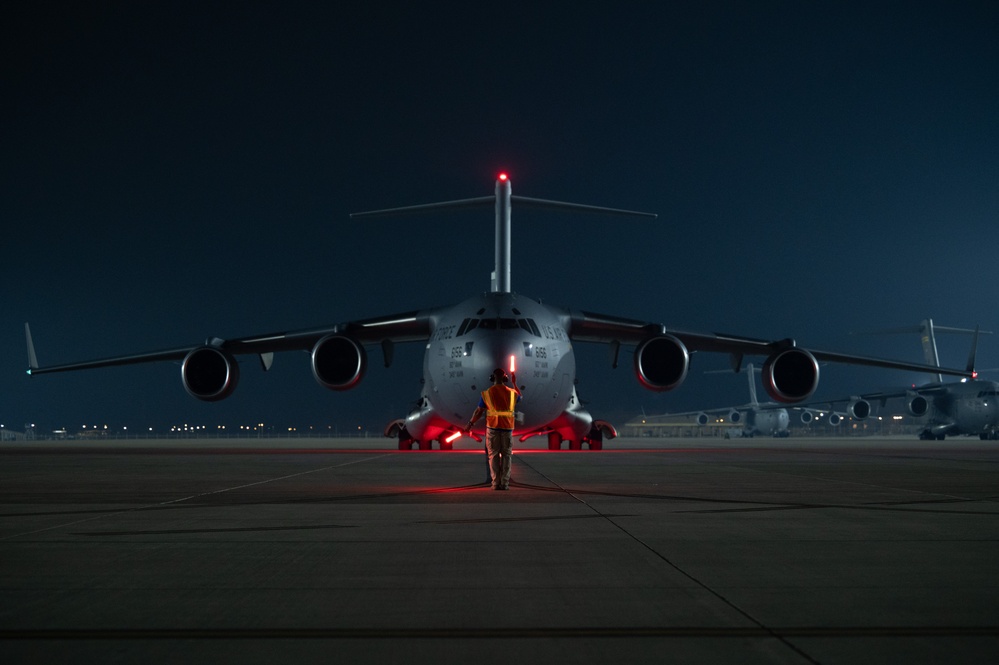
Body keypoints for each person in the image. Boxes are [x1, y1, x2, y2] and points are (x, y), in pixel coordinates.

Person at [466, 367, 522, 490]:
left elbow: (478, 411)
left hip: (492, 428)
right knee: (507, 455)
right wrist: (514, 382)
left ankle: (495, 483)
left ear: (492, 378)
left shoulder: (487, 393)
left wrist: (470, 424)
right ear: (505, 378)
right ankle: (505, 483)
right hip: (507, 428)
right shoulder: (512, 393)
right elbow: (520, 397)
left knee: (493, 455)